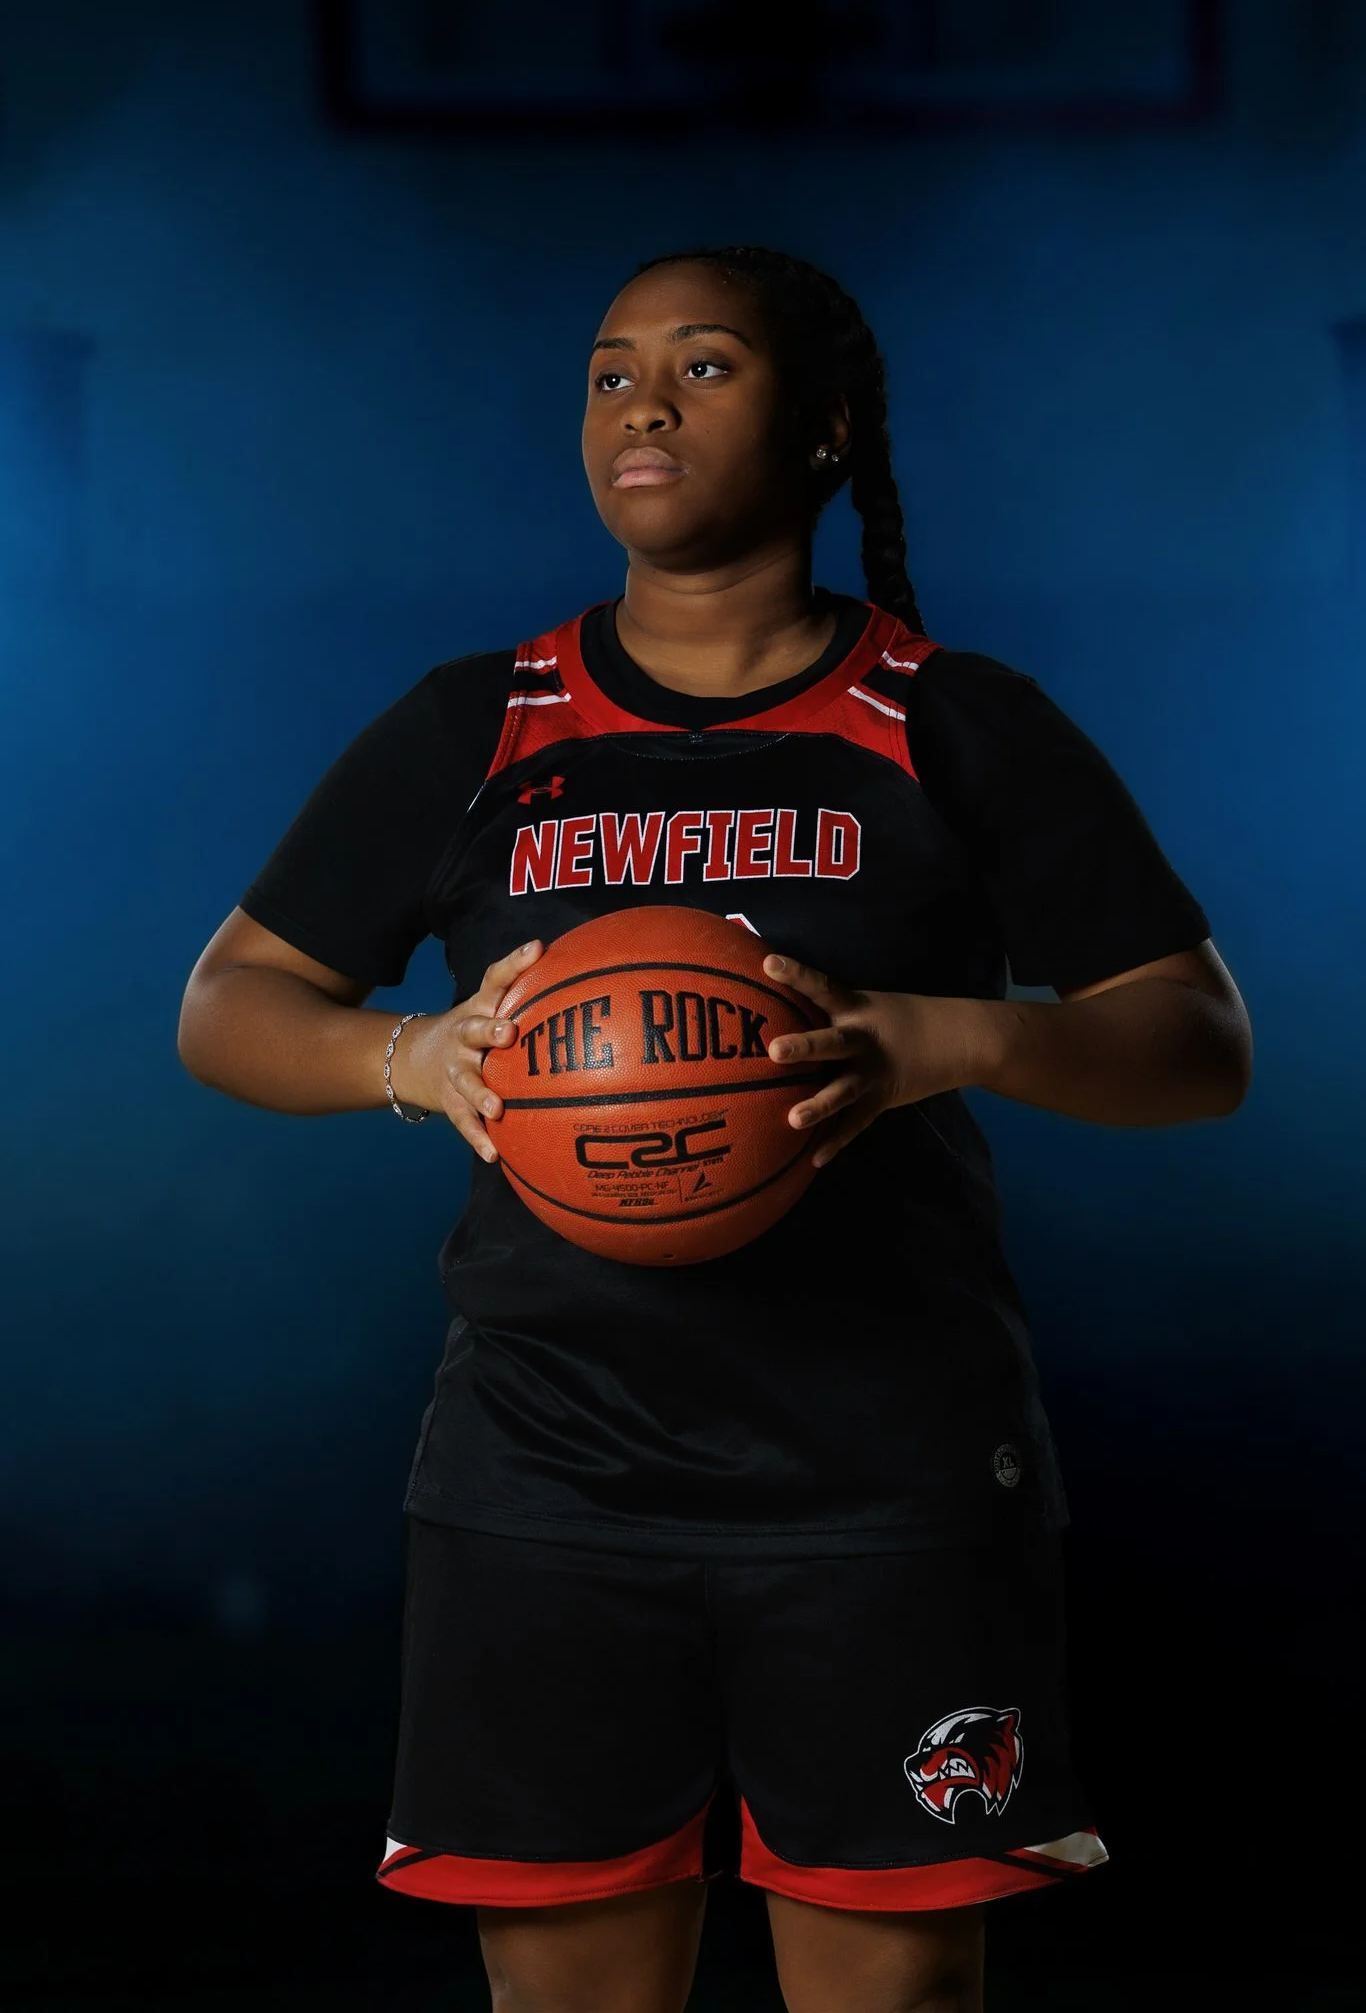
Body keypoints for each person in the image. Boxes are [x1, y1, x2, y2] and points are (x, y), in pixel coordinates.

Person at [178, 244, 1252, 2013]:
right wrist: (411, 1056)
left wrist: (950, 1036)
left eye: (704, 366)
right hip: (547, 1475)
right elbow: (228, 1005)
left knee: (891, 2001)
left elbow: (1194, 1040)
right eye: (608, 374)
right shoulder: (483, 722)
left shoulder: (950, 722)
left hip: (883, 1480)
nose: (643, 407)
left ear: (825, 429)